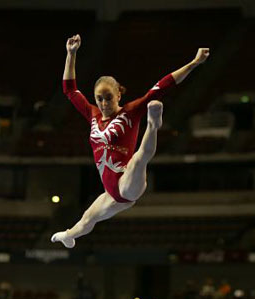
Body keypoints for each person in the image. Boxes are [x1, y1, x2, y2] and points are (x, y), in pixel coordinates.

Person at [51, 34, 209, 248]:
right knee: (87, 218)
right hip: (112, 194)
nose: (104, 102)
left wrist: (194, 63)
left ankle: (154, 124)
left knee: (138, 159)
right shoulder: (93, 114)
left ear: (118, 94)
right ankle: (69, 236)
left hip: (129, 184)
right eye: (99, 98)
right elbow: (70, 90)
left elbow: (163, 86)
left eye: (108, 97)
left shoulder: (131, 111)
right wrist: (71, 54)